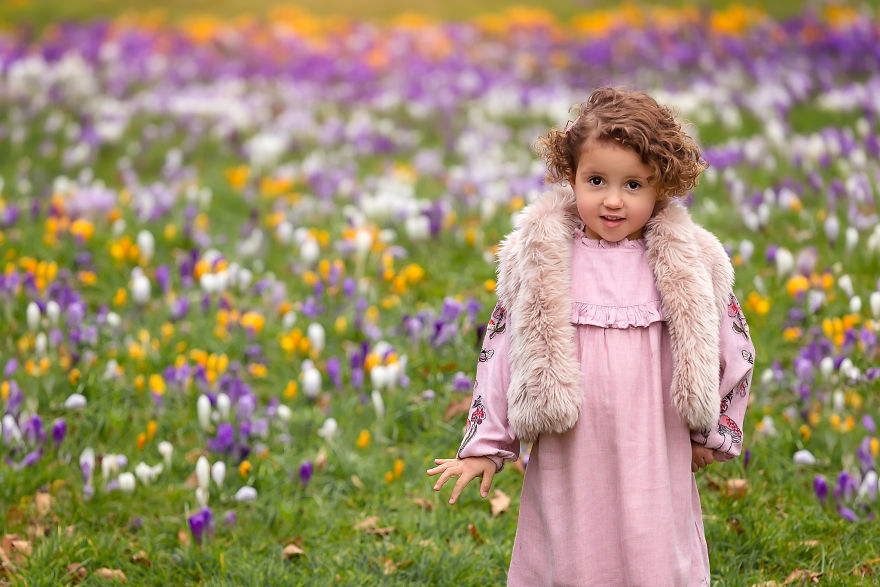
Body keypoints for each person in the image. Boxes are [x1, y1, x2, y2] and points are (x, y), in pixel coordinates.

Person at [426, 87, 755, 586]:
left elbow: (730, 345)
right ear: (571, 175)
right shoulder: (542, 257)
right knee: (573, 545)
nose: (613, 200)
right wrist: (486, 445)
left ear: (661, 186)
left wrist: (712, 432)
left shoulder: (688, 261)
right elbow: (502, 350)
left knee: (652, 546)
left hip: (653, 441)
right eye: (596, 180)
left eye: (634, 185)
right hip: (571, 446)